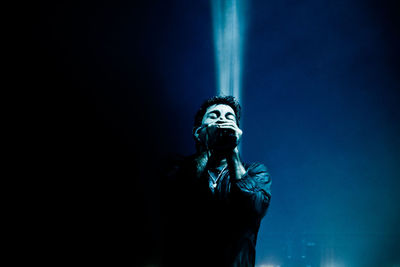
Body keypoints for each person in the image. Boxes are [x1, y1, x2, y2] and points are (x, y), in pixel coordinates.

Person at [162, 96, 271, 267]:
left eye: (229, 117)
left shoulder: (255, 172)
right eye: (214, 115)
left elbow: (254, 209)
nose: (222, 119)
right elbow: (175, 198)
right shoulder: (176, 168)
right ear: (197, 132)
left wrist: (232, 150)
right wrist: (209, 147)